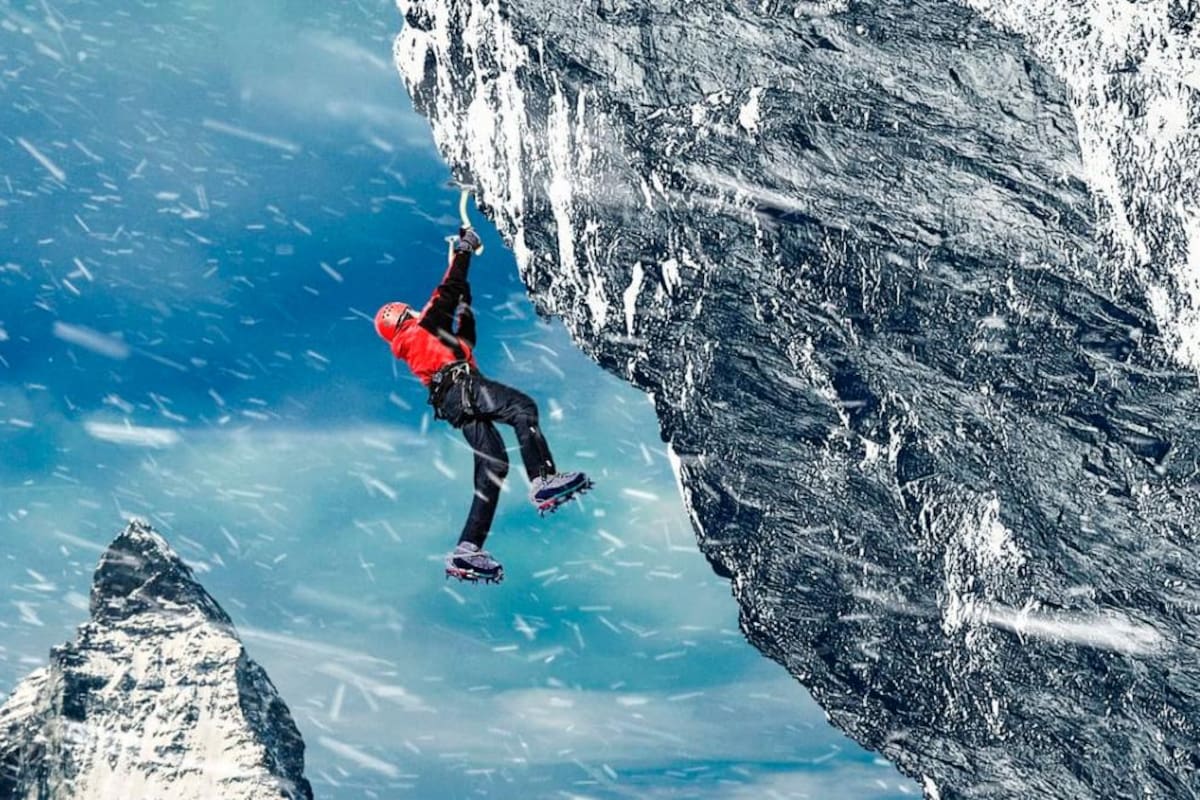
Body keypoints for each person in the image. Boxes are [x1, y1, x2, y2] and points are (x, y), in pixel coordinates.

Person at [375, 227, 590, 583]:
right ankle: (543, 478)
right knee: (523, 409)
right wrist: (463, 251)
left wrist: (464, 293)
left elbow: (465, 334)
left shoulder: (425, 340)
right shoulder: (419, 330)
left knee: (494, 465)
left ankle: (467, 549)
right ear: (402, 317)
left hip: (456, 400)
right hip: (464, 388)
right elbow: (445, 293)